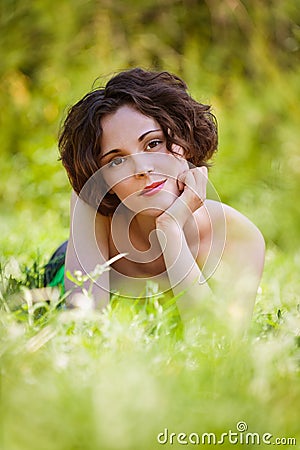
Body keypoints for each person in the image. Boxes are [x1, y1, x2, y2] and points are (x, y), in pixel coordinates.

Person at [48, 68, 265, 329]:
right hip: (65, 263)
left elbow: (218, 348)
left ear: (183, 142)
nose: (142, 168)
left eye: (153, 143)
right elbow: (85, 327)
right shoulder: (93, 205)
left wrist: (170, 229)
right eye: (117, 161)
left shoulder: (239, 236)